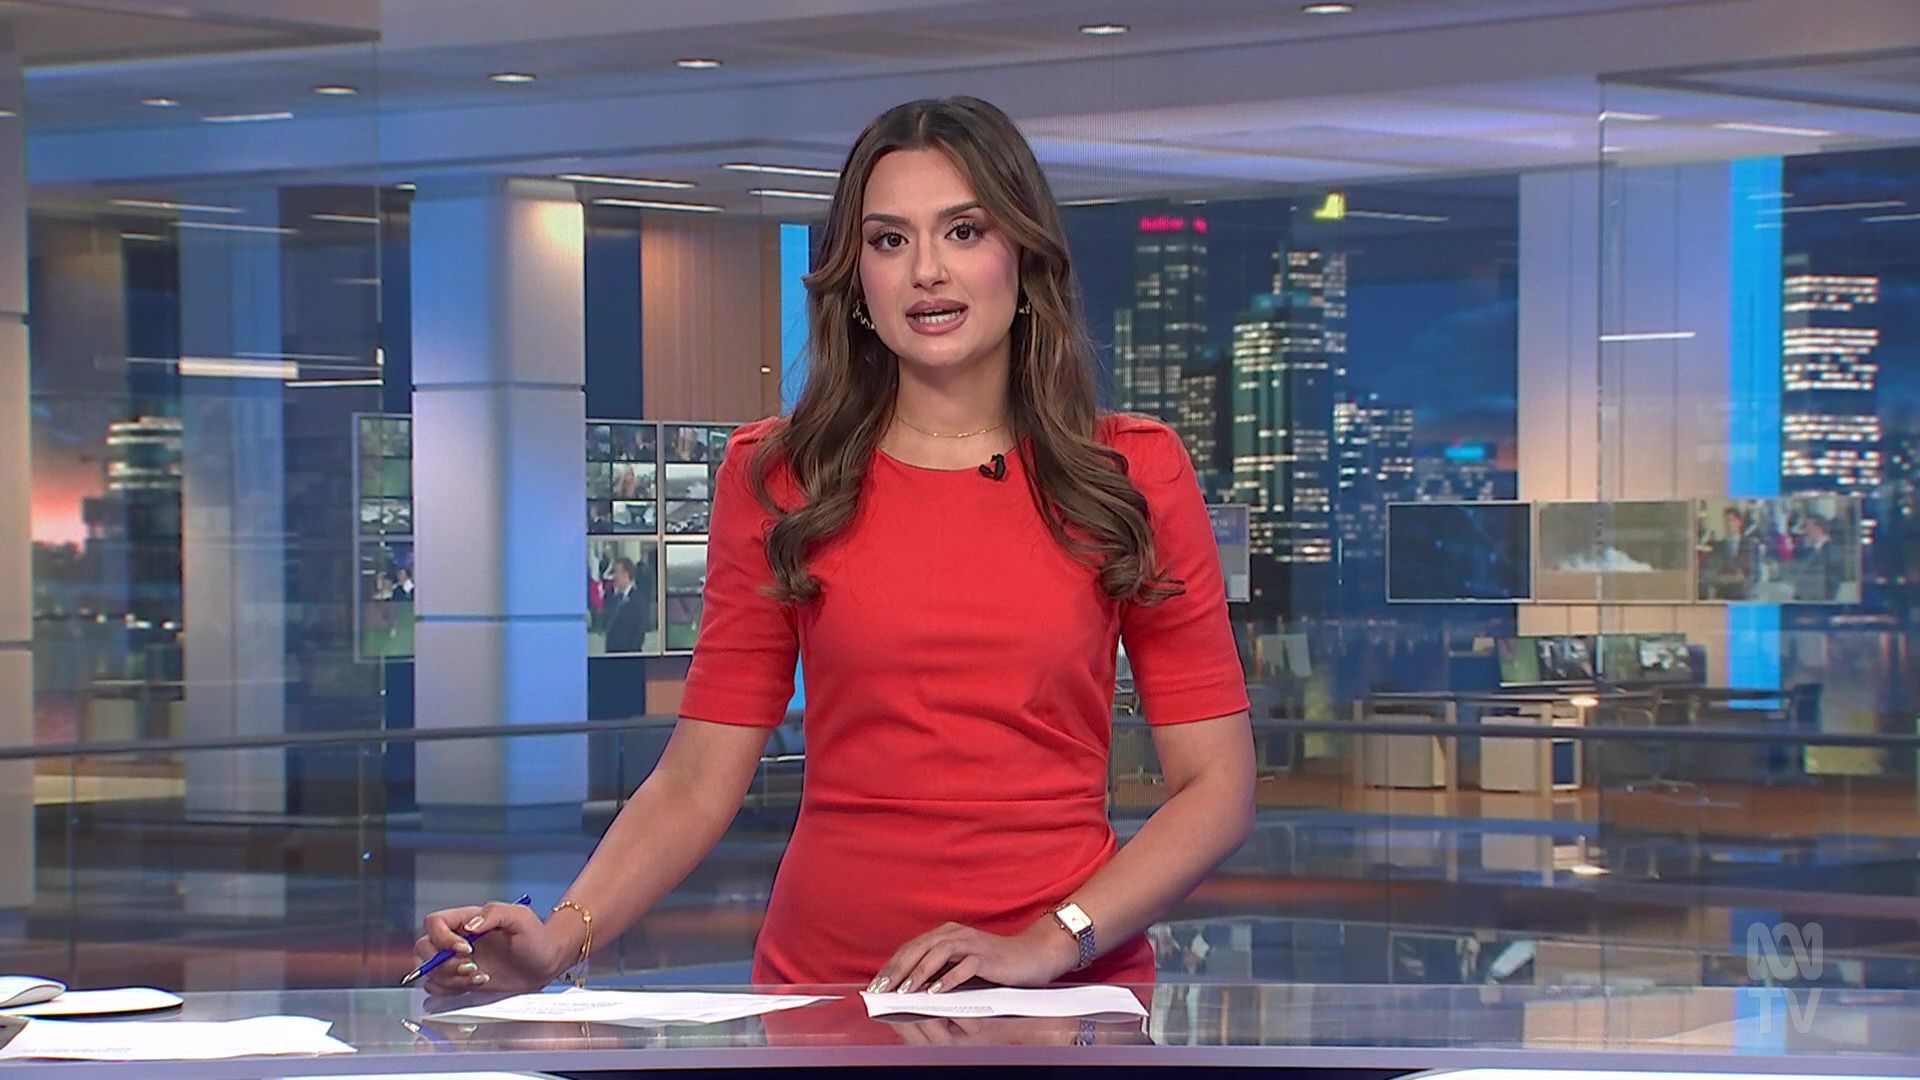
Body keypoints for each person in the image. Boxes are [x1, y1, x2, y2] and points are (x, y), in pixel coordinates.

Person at [416, 95, 1254, 996]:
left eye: (963, 231)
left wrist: (1050, 943)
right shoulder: (781, 478)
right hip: (829, 992)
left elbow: (1218, 786)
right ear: (857, 281)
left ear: (1024, 255)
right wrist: (558, 940)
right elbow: (697, 780)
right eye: (890, 241)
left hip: (1063, 995)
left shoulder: (1129, 473)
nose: (927, 270)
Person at [602, 556, 652, 653]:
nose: (614, 577)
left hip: (629, 657)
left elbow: (639, 631)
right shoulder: (613, 598)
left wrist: (628, 654)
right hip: (612, 656)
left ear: (626, 574)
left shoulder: (639, 599)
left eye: (616, 573)